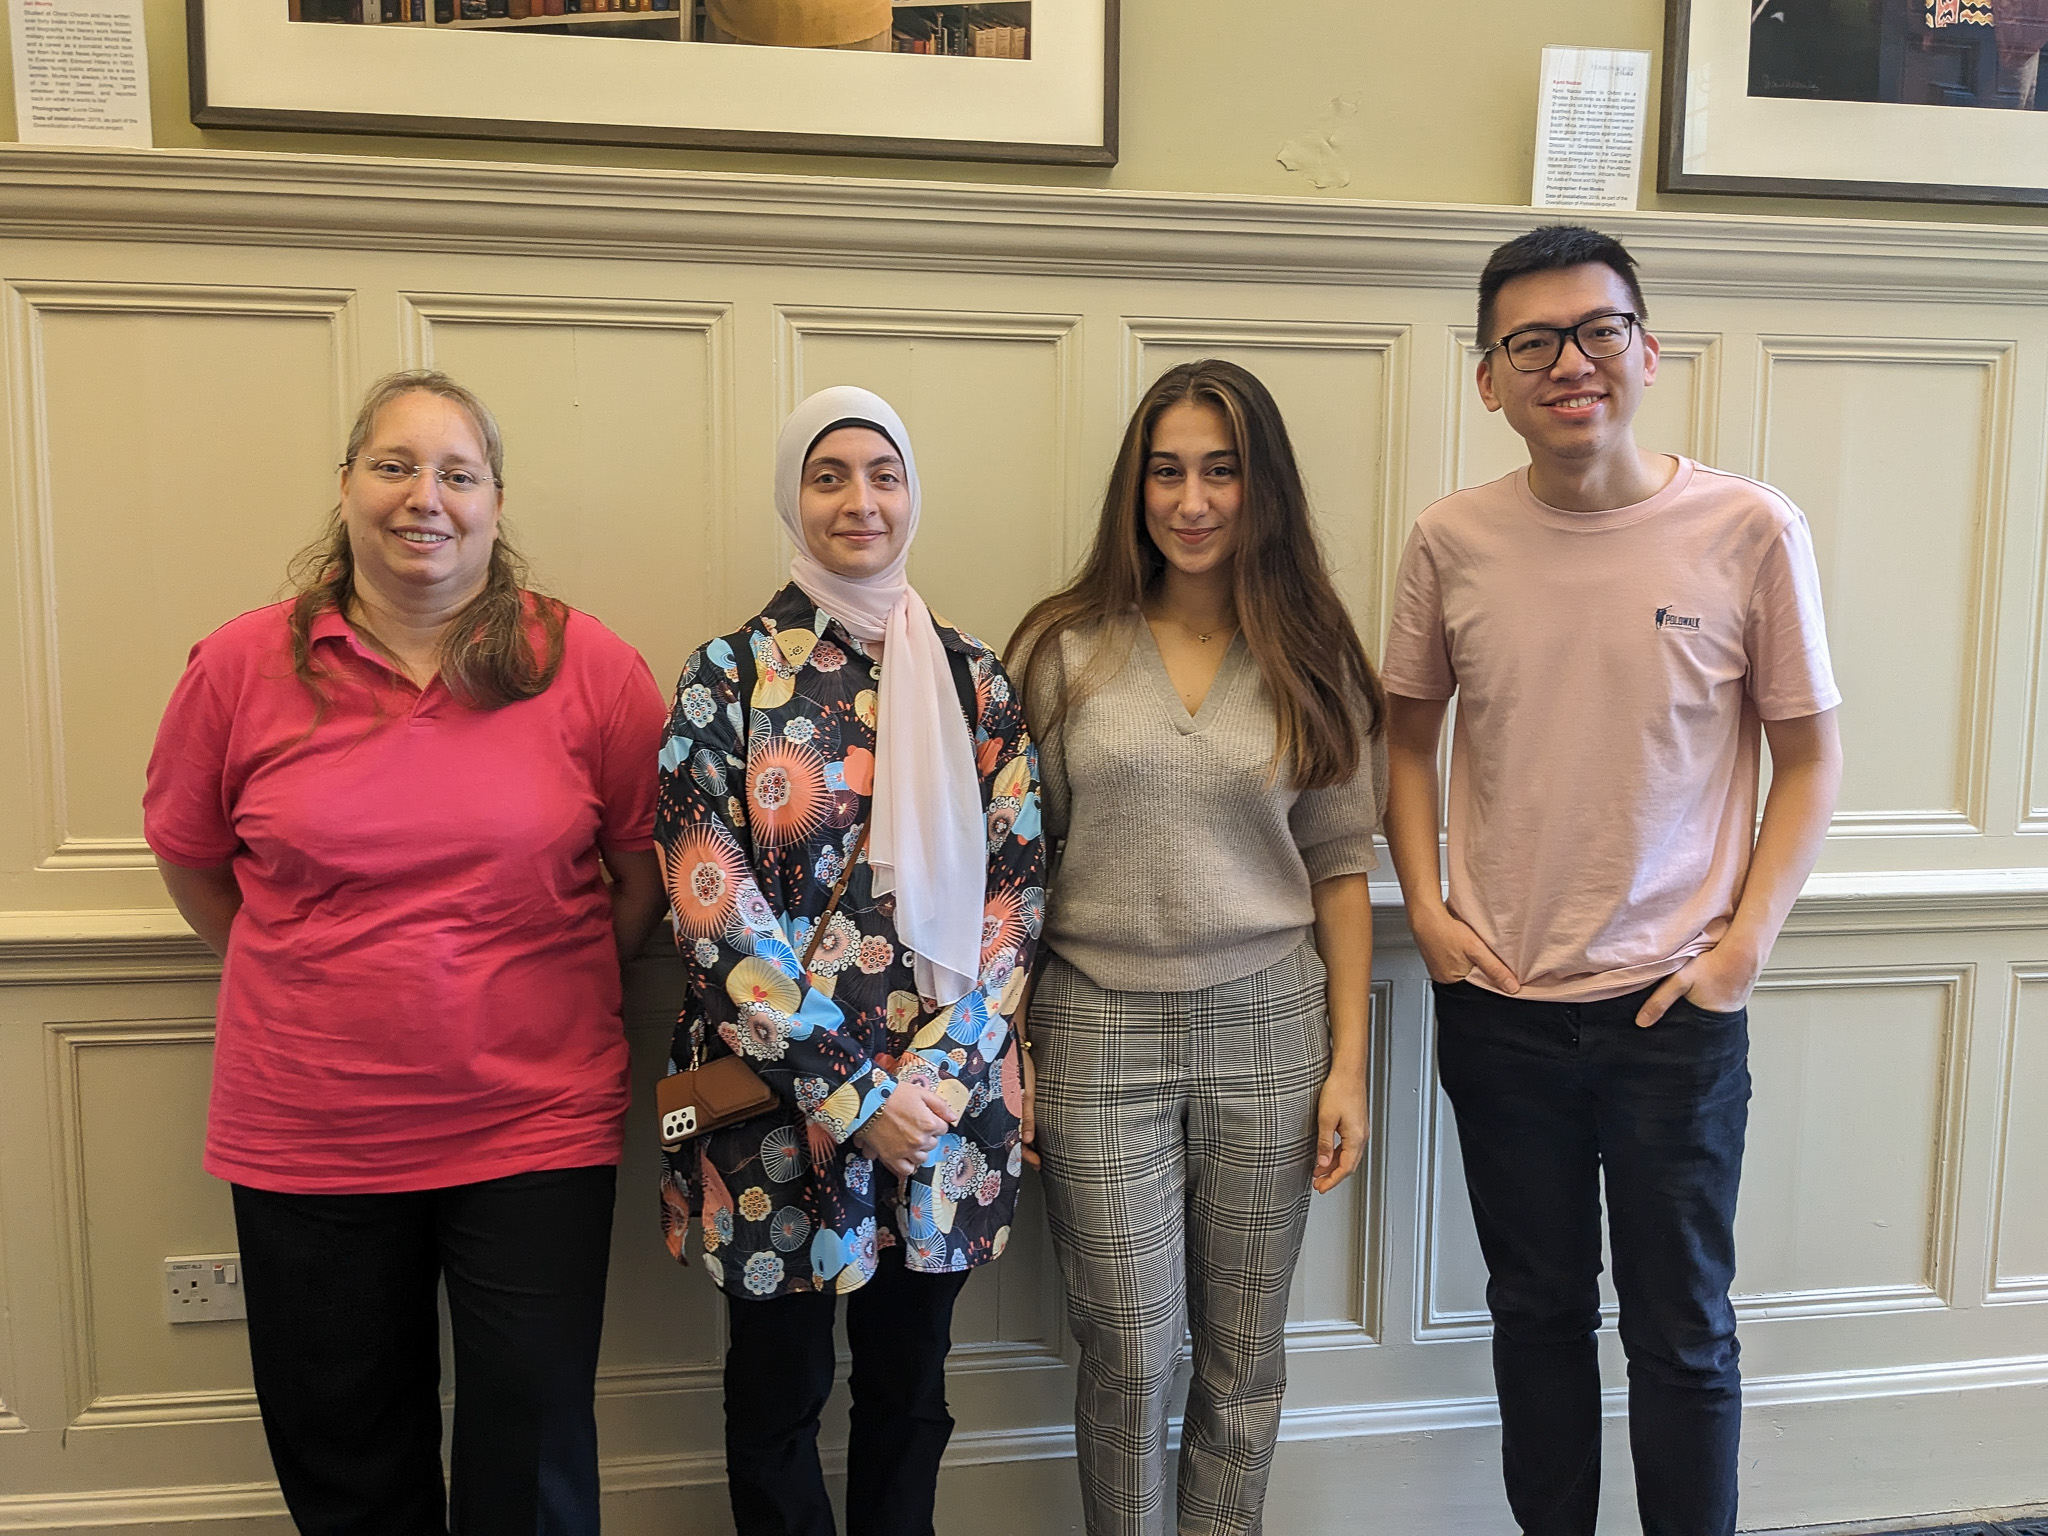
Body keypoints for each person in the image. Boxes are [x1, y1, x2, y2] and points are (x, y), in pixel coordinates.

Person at [143, 370, 670, 1534]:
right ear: (344, 487)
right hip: (306, 1128)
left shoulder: (591, 669)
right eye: (394, 466)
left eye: (456, 473)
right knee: (346, 1452)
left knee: (529, 1454)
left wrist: (544, 970)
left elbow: (641, 881)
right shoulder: (239, 667)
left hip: (534, 1125)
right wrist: (308, 966)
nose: (423, 497)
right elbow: (190, 859)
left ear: (493, 501)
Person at [1381, 225, 1844, 1536]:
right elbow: (1406, 736)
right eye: (1532, 342)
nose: (1568, 363)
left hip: (1674, 1015)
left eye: (1596, 332)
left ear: (1648, 349)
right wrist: (1425, 903)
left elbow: (1810, 756)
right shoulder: (1449, 542)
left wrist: (1744, 945)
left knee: (1683, 1333)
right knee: (1535, 1318)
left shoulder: (1751, 529)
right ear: (1490, 379)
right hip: (1503, 1010)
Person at [655, 385, 1046, 1536]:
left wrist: (928, 1084)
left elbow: (1014, 895)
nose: (859, 501)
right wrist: (852, 1091)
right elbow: (708, 904)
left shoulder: (976, 681)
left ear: (912, 493)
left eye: (883, 474)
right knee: (776, 1397)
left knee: (909, 1395)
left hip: (940, 1108)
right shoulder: (727, 678)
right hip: (776, 1114)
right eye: (829, 476)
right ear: (792, 496)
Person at [1007, 358, 1385, 1536]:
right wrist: (1005, 1048)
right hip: (1092, 1024)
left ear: (1258, 487)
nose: (1192, 500)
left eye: (1220, 471)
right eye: (1166, 471)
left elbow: (1339, 872)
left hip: (1270, 1023)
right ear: (1136, 488)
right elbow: (1014, 876)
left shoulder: (1312, 655)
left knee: (1240, 1357)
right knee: (1125, 1348)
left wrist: (1347, 1065)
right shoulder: (1064, 651)